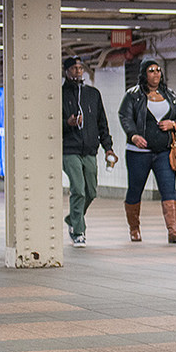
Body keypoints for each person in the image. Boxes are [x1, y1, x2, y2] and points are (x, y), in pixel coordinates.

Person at [118, 59, 176, 244]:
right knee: (135, 189)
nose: (156, 73)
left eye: (158, 70)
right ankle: (134, 228)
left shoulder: (170, 94)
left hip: (164, 152)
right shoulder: (133, 95)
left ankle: (173, 230)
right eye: (151, 70)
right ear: (144, 74)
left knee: (168, 189)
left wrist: (173, 124)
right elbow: (125, 116)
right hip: (138, 152)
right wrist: (133, 135)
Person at [62, 56, 116, 247]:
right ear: (66, 71)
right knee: (78, 189)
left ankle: (72, 218)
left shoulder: (93, 94)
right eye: (74, 68)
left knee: (91, 191)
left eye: (80, 68)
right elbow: (52, 124)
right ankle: (78, 232)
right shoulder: (60, 95)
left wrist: (108, 147)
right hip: (69, 150)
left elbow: (102, 123)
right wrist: (67, 123)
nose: (78, 71)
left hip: (90, 150)